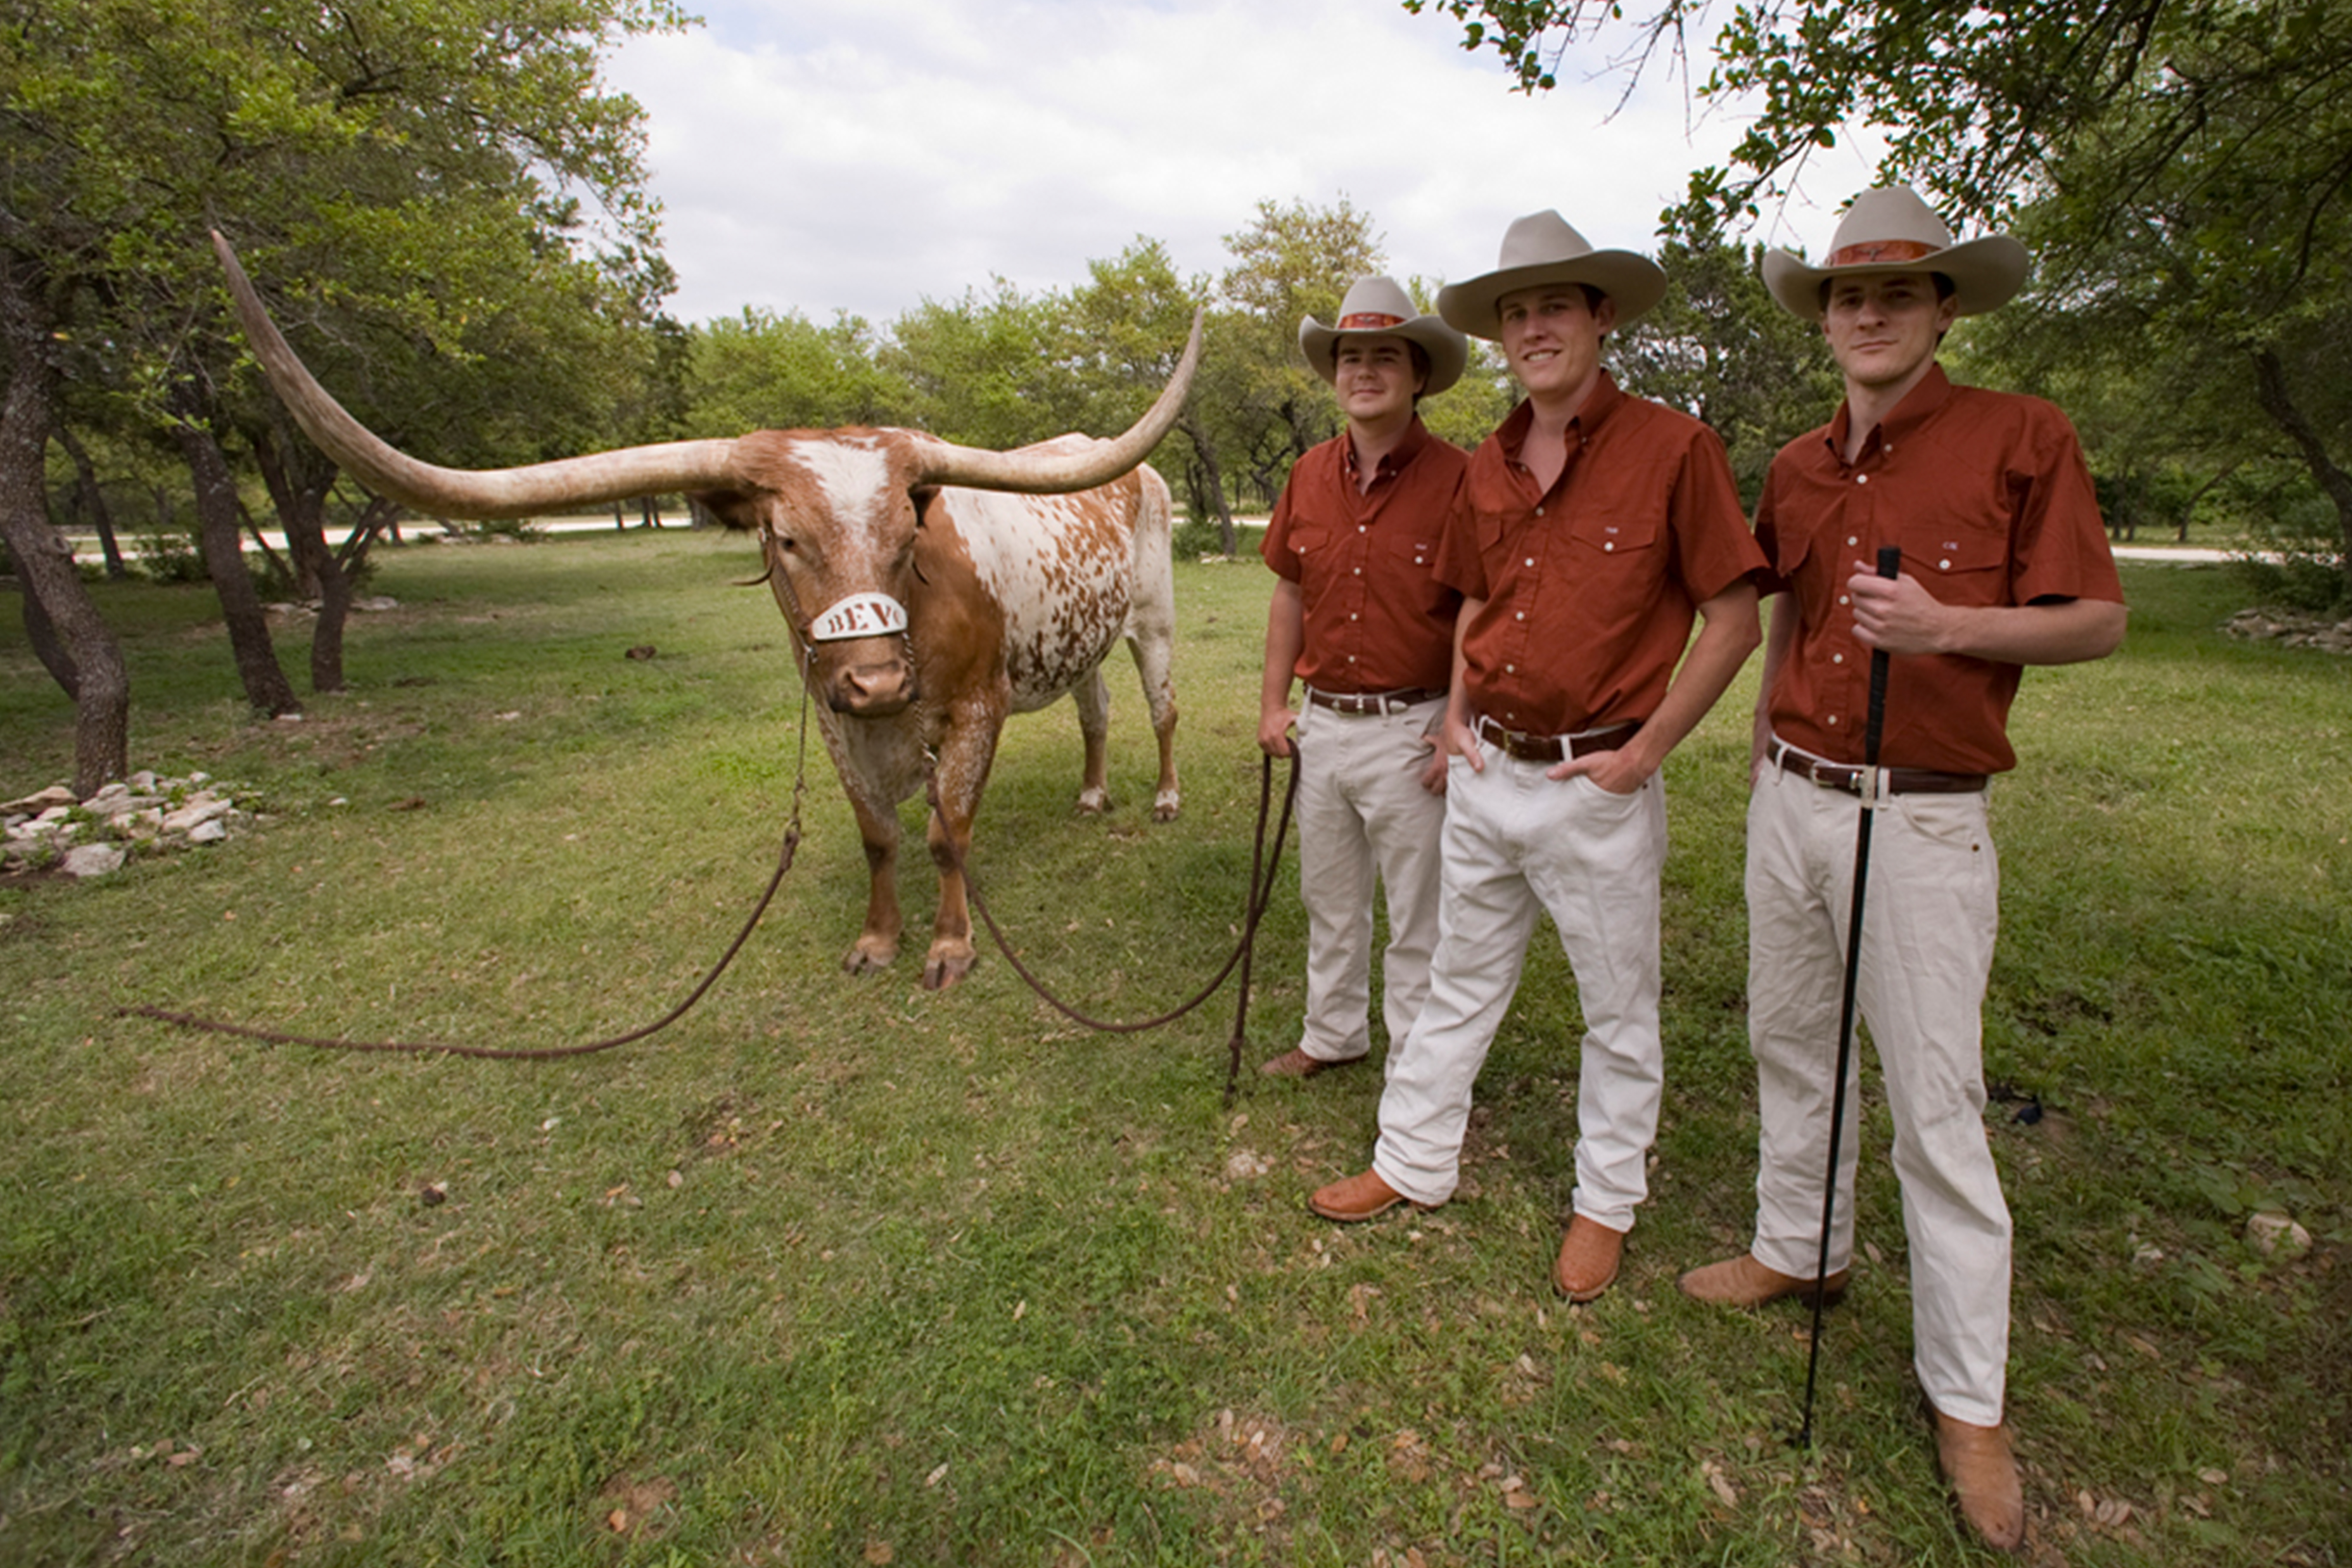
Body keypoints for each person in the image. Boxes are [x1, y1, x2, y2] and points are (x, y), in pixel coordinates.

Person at [1677, 186, 2127, 1552]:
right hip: (1795, 800)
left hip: (1923, 817)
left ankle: (1969, 1400)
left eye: (1897, 293)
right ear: (1824, 318)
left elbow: (2097, 620)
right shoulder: (1801, 465)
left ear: (1945, 309)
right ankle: (1800, 1249)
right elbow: (1789, 612)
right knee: (1790, 1043)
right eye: (1844, 296)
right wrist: (1761, 742)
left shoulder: (2021, 438)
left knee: (1934, 1107)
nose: (1866, 314)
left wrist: (1947, 627)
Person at [1308, 212, 1766, 1310]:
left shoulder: (1676, 449)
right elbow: (1476, 597)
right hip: (1485, 773)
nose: (1533, 328)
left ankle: (1604, 1205)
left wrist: (1645, 752)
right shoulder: (1495, 460)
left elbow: (1735, 617)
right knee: (1461, 980)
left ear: (1602, 317)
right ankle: (1412, 1159)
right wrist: (1459, 719)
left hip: (1594, 783)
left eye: (1554, 305)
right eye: (1515, 313)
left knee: (1619, 1009)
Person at [1258, 277, 1472, 1080]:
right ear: (1334, 373)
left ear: (1418, 374)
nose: (1365, 371)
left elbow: (1477, 608)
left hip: (1410, 726)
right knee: (1331, 898)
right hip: (1325, 723)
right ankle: (1333, 1033)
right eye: (1351, 357)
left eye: (1386, 356)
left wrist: (1457, 717)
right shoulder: (1309, 473)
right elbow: (1289, 592)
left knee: (1420, 913)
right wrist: (1275, 703)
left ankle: (1415, 1067)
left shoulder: (1461, 479)